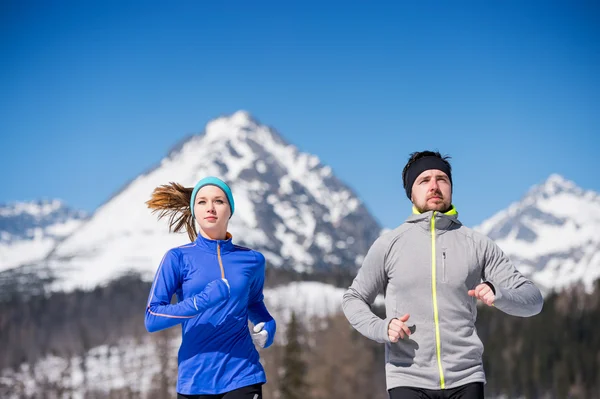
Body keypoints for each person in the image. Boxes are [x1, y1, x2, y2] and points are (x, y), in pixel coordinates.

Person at [342, 151, 543, 399]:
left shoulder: (477, 244)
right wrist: (382, 328)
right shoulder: (389, 245)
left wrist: (498, 294)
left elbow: (533, 300)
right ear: (411, 193)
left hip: (466, 377)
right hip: (407, 378)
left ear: (450, 188)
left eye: (442, 179)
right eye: (424, 180)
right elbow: (353, 299)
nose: (434, 186)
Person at [145, 176, 276, 399]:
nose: (211, 208)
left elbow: (254, 303)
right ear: (194, 210)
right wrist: (200, 301)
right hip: (195, 380)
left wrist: (268, 326)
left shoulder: (252, 260)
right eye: (202, 202)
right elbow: (152, 317)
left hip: (242, 373)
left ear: (230, 210)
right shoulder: (177, 258)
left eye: (219, 201)